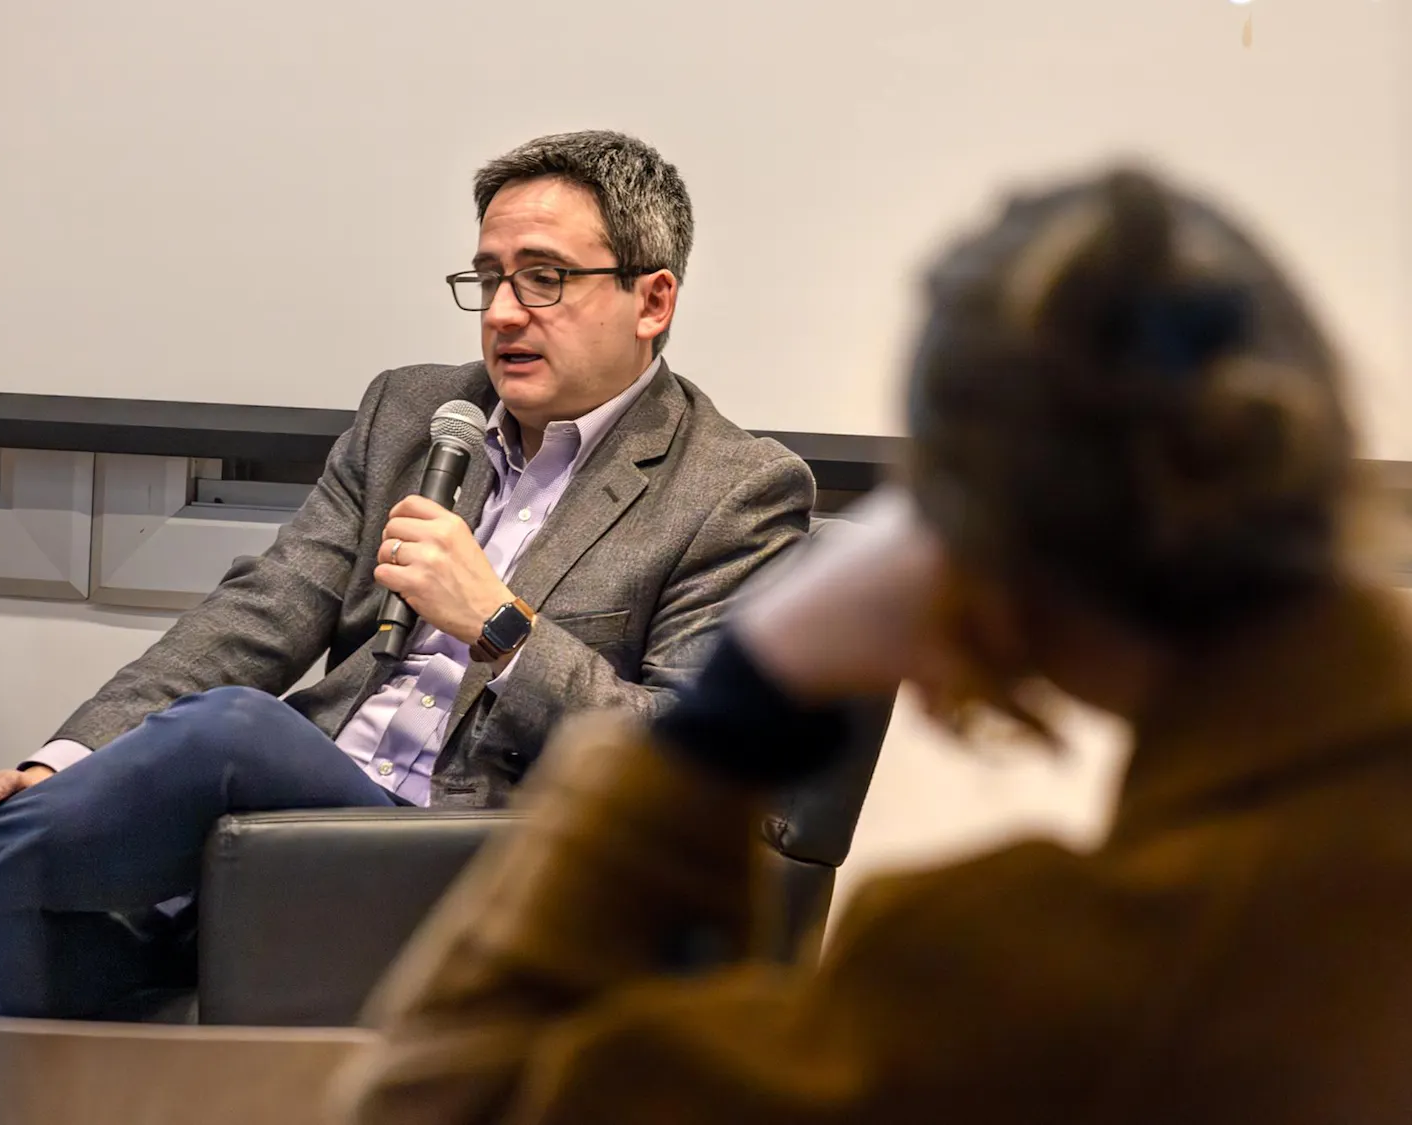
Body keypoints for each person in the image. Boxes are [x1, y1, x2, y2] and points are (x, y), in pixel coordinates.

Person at [335, 167, 1412, 1125]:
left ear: (975, 547)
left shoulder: (1023, 975)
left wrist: (724, 722)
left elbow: (449, 1098)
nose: (507, 314)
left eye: (548, 276)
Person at [0, 130, 814, 1018]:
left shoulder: (732, 489)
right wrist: (56, 768)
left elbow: (703, 766)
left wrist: (502, 629)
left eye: (544, 278)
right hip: (261, 855)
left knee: (234, 733)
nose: (503, 312)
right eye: (490, 277)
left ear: (651, 300)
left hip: (466, 871)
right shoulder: (416, 409)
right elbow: (261, 612)